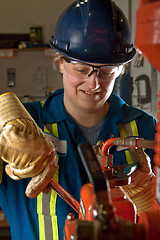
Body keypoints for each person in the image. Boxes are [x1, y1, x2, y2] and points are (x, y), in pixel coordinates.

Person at [0, 0, 156, 240]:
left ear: (121, 70)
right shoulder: (25, 127)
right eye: (82, 70)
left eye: (106, 72)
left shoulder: (145, 128)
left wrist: (148, 205)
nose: (94, 83)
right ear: (61, 62)